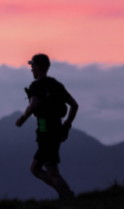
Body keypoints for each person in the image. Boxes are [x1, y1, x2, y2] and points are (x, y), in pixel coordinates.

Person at [16, 53, 78, 199]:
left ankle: (68, 197)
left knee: (49, 171)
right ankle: (65, 194)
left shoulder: (36, 86)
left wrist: (21, 119)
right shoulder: (56, 85)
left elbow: (33, 106)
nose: (31, 70)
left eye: (32, 66)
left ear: (37, 68)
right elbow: (74, 105)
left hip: (45, 133)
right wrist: (67, 126)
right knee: (36, 168)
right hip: (56, 130)